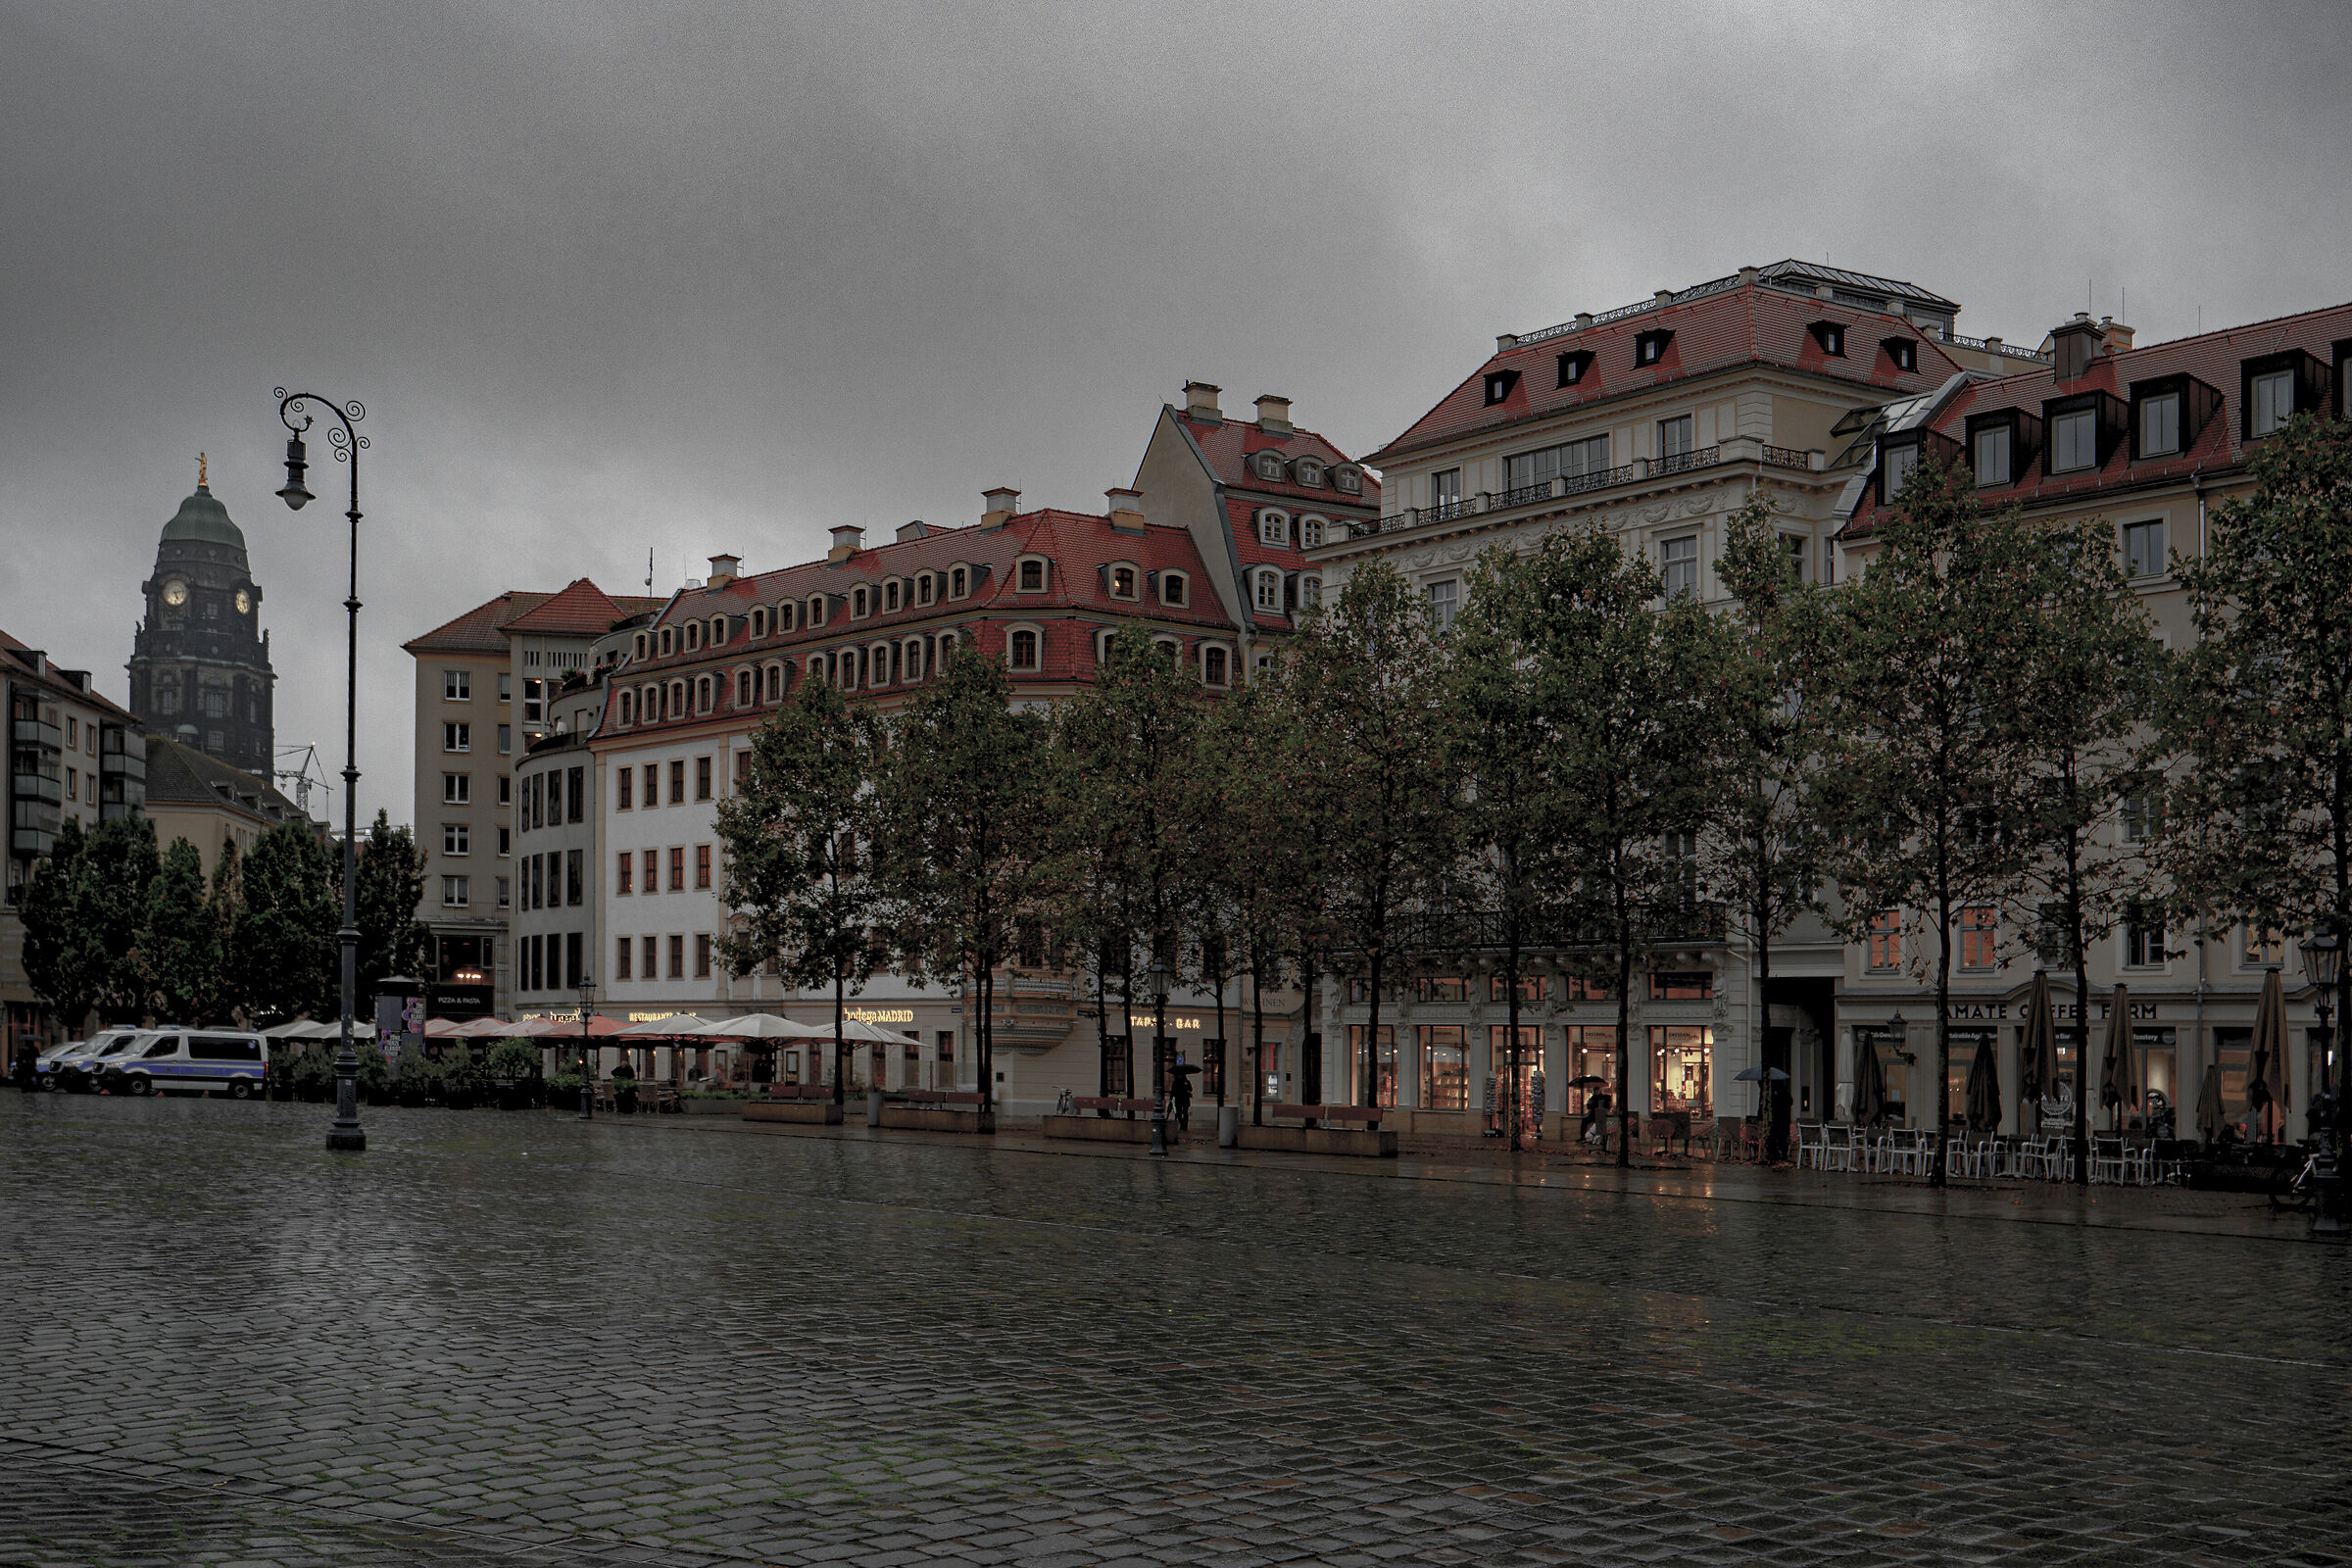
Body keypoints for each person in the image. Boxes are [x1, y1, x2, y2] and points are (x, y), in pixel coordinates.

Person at [1173, 1061, 1194, 1132]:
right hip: (1181, 1099)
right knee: (1181, 1113)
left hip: (1182, 1099)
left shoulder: (1185, 1081)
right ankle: (1183, 1124)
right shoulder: (1177, 1082)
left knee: (1183, 1112)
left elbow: (1190, 1089)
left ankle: (1184, 1125)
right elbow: (1173, 1090)